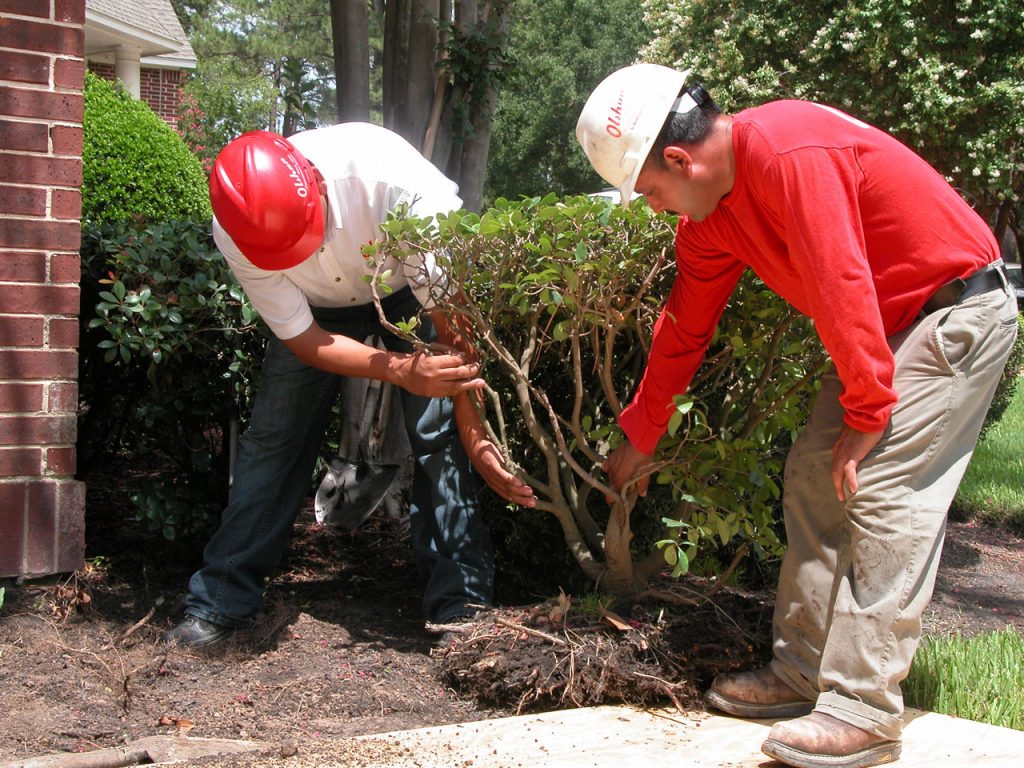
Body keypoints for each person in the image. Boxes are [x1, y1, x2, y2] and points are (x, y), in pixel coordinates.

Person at [576, 63, 1017, 768]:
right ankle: (802, 670)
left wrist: (869, 407)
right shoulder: (713, 215)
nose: (655, 208)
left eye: (653, 191)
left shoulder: (788, 151)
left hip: (953, 312)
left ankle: (863, 709)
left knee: (883, 490)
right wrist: (641, 431)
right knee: (814, 473)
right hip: (892, 323)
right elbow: (684, 326)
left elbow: (840, 274)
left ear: (681, 159)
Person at [164, 123, 535, 649]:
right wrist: (399, 369)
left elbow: (454, 330)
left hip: (407, 291)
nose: (296, 254)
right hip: (314, 308)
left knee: (439, 438)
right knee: (274, 441)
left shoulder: (394, 185)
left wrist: (469, 424)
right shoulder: (237, 227)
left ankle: (462, 610)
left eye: (301, 240)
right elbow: (305, 337)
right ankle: (220, 602)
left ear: (315, 184)